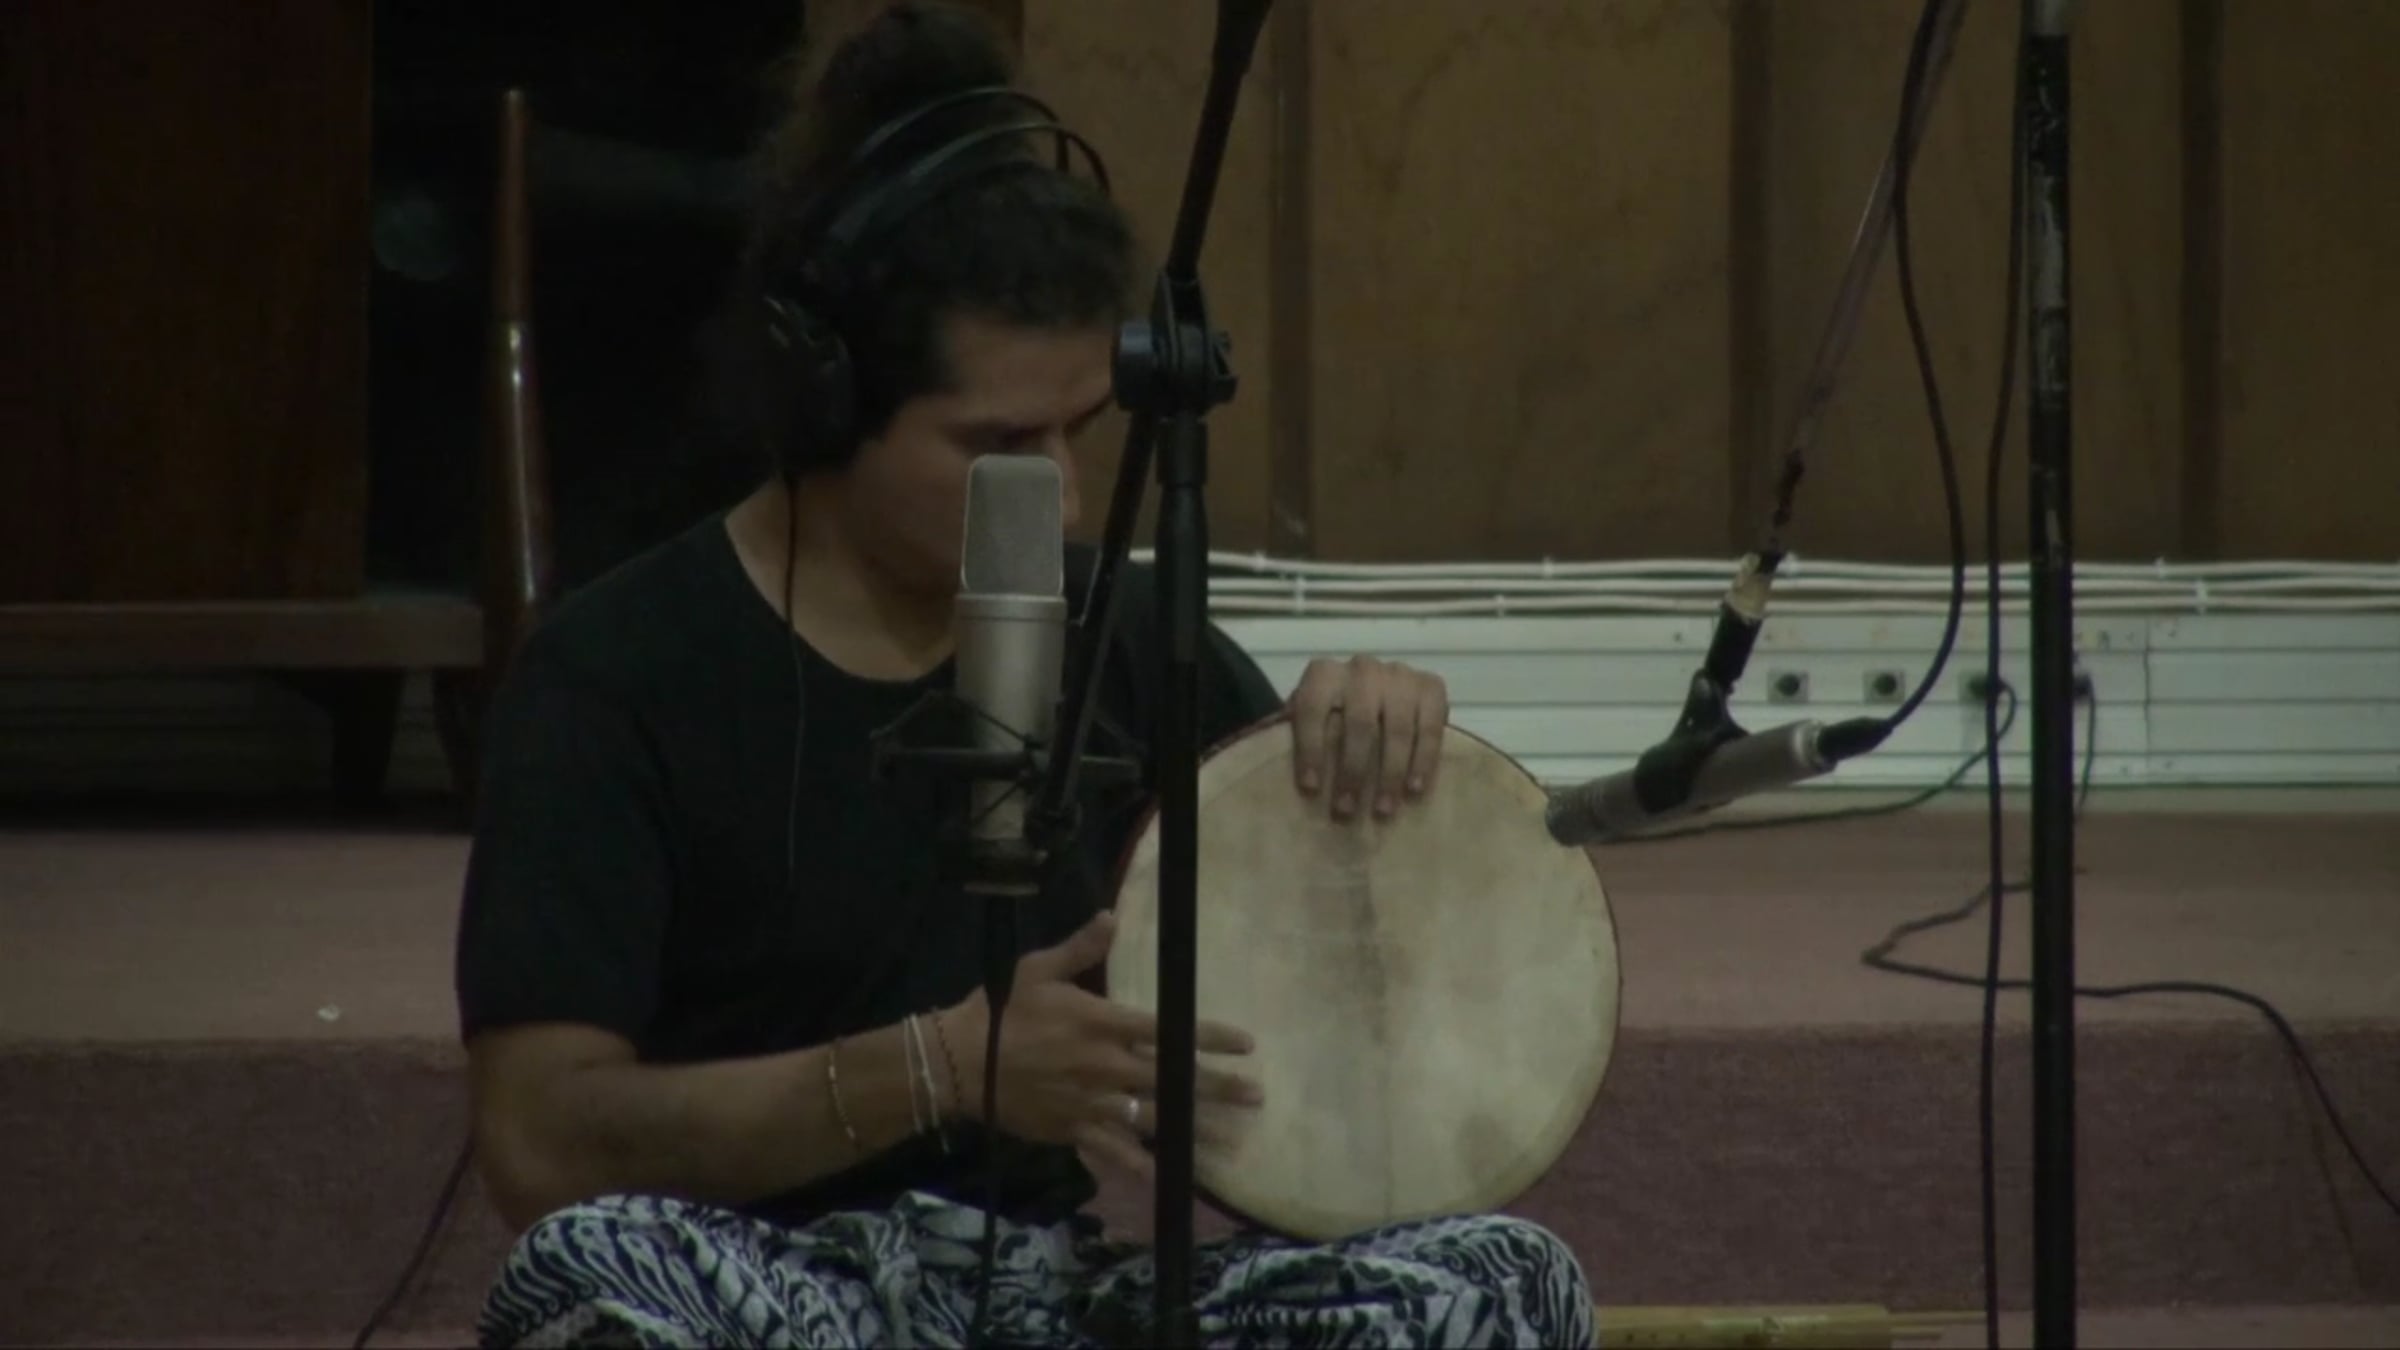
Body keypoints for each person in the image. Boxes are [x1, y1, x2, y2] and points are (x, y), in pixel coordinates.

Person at [452, 4, 1595, 1345]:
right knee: (587, 1270)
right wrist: (941, 1068)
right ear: (825, 400)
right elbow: (539, 1142)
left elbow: (1338, 1015)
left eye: (1078, 431)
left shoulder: (1130, 632)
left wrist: (1369, 765)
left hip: (1061, 1295)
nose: (1057, 494)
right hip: (767, 1286)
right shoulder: (613, 673)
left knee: (1507, 1279)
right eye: (997, 444)